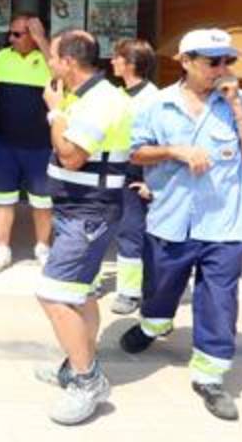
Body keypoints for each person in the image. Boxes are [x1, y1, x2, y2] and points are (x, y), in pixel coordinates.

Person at [120, 28, 242, 422]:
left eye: (228, 61)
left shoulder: (239, 102)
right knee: (160, 286)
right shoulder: (158, 105)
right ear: (185, 61)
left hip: (225, 222)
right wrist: (174, 150)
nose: (221, 69)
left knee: (219, 300)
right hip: (170, 218)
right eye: (212, 61)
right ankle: (154, 324)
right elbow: (135, 152)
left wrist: (238, 105)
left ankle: (210, 376)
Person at [34, 29, 130, 425]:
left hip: (88, 212)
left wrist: (55, 112)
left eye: (53, 58)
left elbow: (71, 156)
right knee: (79, 292)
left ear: (69, 62)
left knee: (53, 294)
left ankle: (89, 381)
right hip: (76, 208)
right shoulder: (86, 93)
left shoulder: (100, 101)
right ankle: (79, 363)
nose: (50, 65)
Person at [0, 14, 53, 273]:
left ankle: (43, 247)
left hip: (40, 144)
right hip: (4, 142)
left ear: (33, 34)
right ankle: (2, 248)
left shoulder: (48, 57)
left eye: (18, 34)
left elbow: (62, 74)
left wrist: (42, 39)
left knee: (42, 201)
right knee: (2, 198)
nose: (11, 39)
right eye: (11, 33)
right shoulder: (2, 56)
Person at [108, 38, 159, 315]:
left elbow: (160, 142)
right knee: (106, 227)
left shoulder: (152, 99)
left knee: (130, 231)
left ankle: (129, 292)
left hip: (135, 173)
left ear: (130, 64)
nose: (112, 62)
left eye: (117, 57)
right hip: (112, 169)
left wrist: (150, 180)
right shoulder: (119, 94)